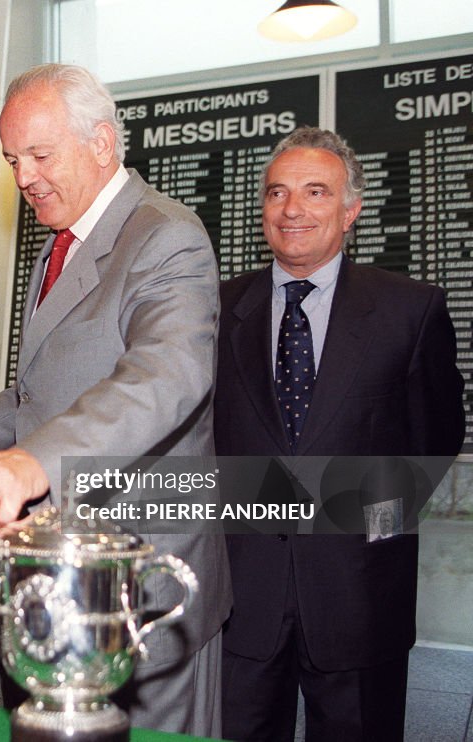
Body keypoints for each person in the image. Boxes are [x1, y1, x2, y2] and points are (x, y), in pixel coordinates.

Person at [0, 63, 231, 737]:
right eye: (12, 159)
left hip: (143, 585)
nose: (23, 176)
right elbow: (58, 378)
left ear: (102, 145)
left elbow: (167, 372)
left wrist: (31, 462)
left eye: (38, 154)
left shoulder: (166, 235)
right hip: (53, 574)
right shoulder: (55, 245)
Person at [213, 126, 465, 741]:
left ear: (350, 210)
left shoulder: (411, 308)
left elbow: (435, 437)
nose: (292, 209)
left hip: (361, 595)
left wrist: (369, 524)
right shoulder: (216, 309)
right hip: (243, 596)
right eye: (276, 193)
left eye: (315, 192)